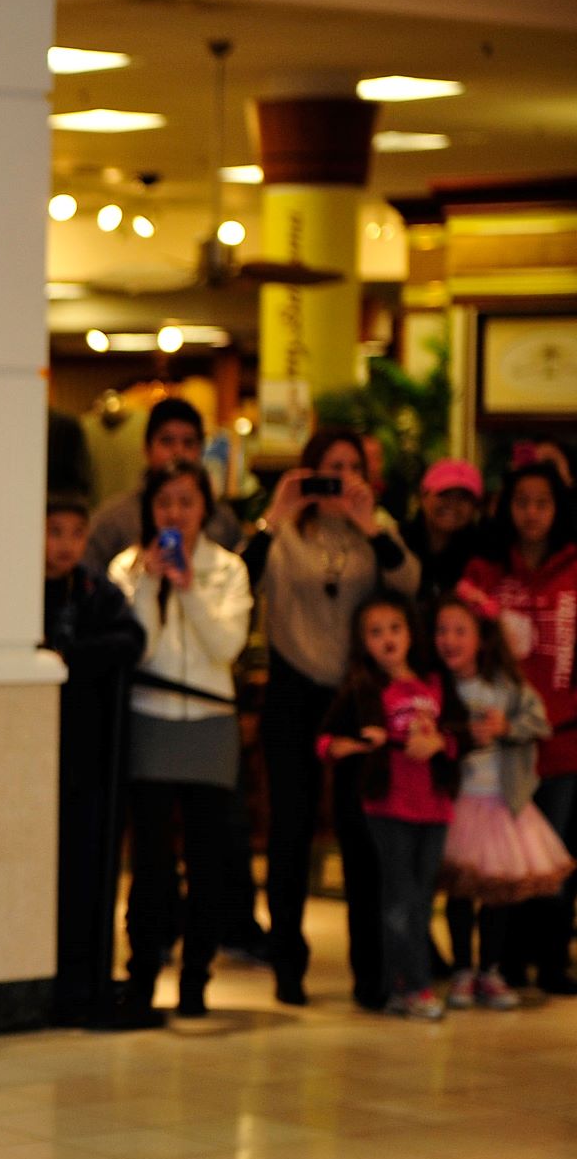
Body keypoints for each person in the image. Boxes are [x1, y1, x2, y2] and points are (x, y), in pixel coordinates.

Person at [242, 427, 421, 1008]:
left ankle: (370, 972)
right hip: (292, 693)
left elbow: (410, 587)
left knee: (359, 832)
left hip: (355, 694)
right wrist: (275, 515)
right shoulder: (283, 535)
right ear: (307, 471)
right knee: (289, 830)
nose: (339, 479)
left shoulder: (377, 532)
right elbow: (242, 580)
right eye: (328, 467)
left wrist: (371, 526)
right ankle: (287, 964)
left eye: (350, 468)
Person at [109, 462, 252, 1019]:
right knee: (149, 864)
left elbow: (225, 647)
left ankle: (196, 979)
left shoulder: (228, 568)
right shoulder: (127, 567)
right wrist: (149, 582)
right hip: (150, 719)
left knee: (208, 861)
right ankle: (141, 975)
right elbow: (138, 650)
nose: (175, 513)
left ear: (205, 508)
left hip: (211, 726)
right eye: (164, 502)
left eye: (186, 502)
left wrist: (189, 588)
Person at [317, 592, 463, 1020]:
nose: (387, 640)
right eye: (375, 632)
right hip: (388, 807)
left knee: (420, 900)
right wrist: (344, 747)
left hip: (434, 807)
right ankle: (412, 985)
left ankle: (405, 980)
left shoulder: (435, 683)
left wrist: (440, 741)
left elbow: (458, 733)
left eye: (395, 629)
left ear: (411, 634)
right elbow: (325, 737)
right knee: (398, 900)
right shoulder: (362, 688)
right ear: (363, 643)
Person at [460, 462, 577, 994]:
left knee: (552, 862)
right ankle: (497, 965)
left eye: (543, 502)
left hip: (562, 741)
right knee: (501, 863)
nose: (532, 513)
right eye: (522, 501)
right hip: (497, 747)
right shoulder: (485, 572)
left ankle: (551, 963)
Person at [432, 591, 574, 1009]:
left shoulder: (507, 686)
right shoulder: (439, 687)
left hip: (500, 805)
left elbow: (539, 722)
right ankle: (461, 968)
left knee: (496, 893)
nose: (449, 639)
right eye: (442, 630)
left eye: (460, 630)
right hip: (458, 805)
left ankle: (489, 970)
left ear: (482, 637)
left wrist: (506, 726)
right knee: (460, 890)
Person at [43, 493, 145, 1027]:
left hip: (89, 751)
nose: (64, 546)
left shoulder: (95, 591)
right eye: (53, 532)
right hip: (36, 753)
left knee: (88, 863)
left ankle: (86, 980)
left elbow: (132, 640)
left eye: (74, 535)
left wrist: (72, 659)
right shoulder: (20, 589)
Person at [82, 397, 243, 577]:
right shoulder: (112, 521)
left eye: (188, 443)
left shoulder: (221, 519)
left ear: (200, 451)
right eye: (167, 441)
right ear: (146, 449)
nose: (178, 451)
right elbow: (88, 589)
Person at [400, 459, 485, 602]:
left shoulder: (482, 552)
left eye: (463, 498)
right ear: (423, 496)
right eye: (444, 494)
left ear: (475, 508)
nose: (453, 504)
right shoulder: (399, 540)